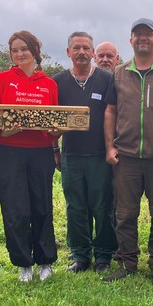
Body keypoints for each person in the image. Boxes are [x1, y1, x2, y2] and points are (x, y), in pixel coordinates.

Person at [103, 18, 153, 284]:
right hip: (125, 158)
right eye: (138, 34)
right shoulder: (119, 72)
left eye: (148, 34)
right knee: (125, 214)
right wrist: (109, 147)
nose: (143, 38)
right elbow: (110, 111)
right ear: (131, 40)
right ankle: (127, 263)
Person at [0, 30, 59, 282]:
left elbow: (56, 121)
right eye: (14, 50)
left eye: (23, 49)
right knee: (16, 209)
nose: (19, 54)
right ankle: (23, 264)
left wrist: (56, 133)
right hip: (8, 152)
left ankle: (45, 261)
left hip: (40, 152)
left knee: (42, 206)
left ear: (35, 51)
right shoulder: (2, 80)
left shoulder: (49, 84)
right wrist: (4, 132)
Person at [53, 32, 117, 274]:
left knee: (102, 206)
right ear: (68, 52)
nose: (81, 52)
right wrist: (54, 148)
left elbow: (114, 114)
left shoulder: (106, 79)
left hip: (100, 154)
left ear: (92, 53)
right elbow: (52, 119)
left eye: (86, 48)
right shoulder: (58, 81)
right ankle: (80, 255)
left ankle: (103, 255)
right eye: (76, 48)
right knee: (75, 207)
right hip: (70, 154)